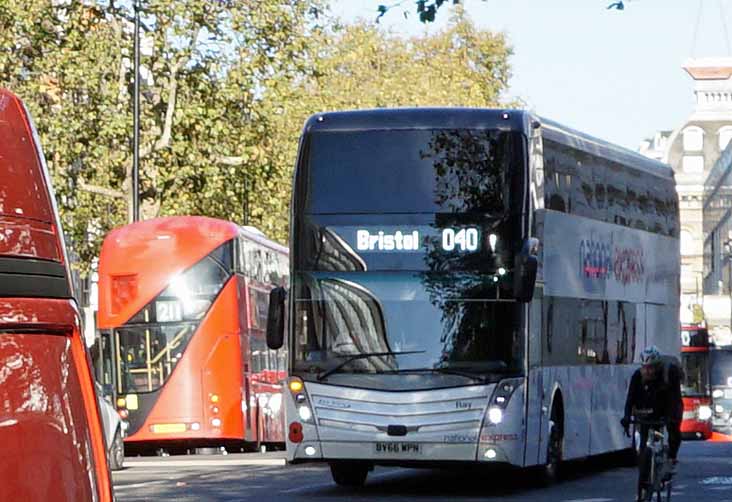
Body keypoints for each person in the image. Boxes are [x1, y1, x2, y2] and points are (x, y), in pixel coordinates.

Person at [621, 346, 683, 470]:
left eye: (650, 368)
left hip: (668, 402)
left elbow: (674, 399)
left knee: (673, 428)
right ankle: (645, 465)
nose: (647, 371)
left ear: (658, 366)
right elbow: (630, 398)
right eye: (644, 368)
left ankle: (672, 457)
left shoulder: (670, 373)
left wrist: (671, 418)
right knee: (645, 431)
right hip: (650, 406)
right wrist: (627, 417)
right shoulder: (637, 376)